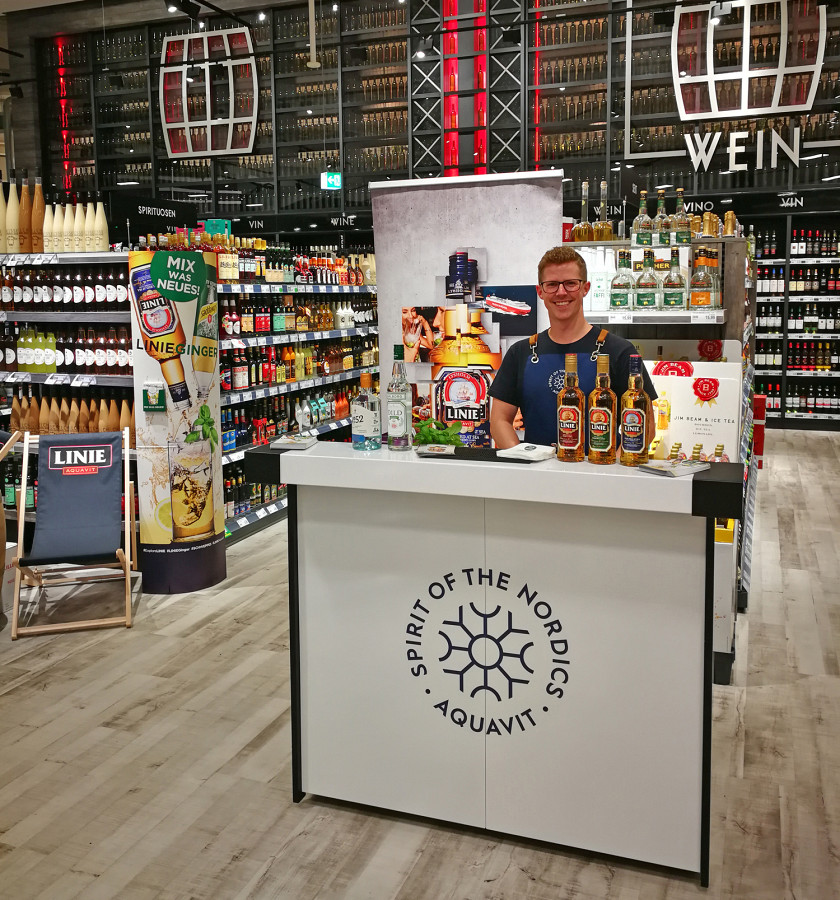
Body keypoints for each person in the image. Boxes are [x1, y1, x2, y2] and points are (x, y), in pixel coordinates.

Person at [489, 245, 657, 449]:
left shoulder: (620, 351)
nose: (561, 292)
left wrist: (613, 466)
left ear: (585, 288)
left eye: (570, 284)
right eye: (552, 284)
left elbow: (646, 426)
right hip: (535, 469)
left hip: (601, 468)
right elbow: (499, 421)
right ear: (540, 291)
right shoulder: (520, 353)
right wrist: (522, 458)